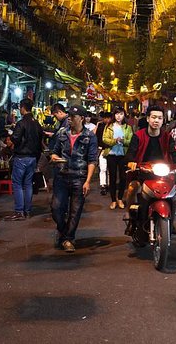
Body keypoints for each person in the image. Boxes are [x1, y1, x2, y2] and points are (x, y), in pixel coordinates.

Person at [50, 105, 98, 253]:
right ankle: (63, 231)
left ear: (81, 118)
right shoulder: (62, 133)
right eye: (69, 116)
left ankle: (68, 239)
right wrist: (54, 158)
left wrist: (88, 181)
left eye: (73, 116)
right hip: (61, 176)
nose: (69, 118)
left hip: (79, 177)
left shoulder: (90, 136)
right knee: (56, 208)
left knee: (75, 211)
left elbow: (92, 160)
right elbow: (54, 152)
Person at [124, 105, 176, 208]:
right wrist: (131, 162)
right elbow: (131, 152)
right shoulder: (138, 136)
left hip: (163, 175)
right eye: (153, 117)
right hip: (142, 173)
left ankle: (170, 222)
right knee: (133, 188)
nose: (156, 120)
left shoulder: (167, 136)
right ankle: (131, 215)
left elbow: (174, 152)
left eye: (159, 118)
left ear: (163, 120)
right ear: (148, 119)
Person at [5, 98, 43, 221]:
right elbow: (40, 140)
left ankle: (19, 211)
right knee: (28, 184)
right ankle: (27, 210)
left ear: (22, 108)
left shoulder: (21, 123)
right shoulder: (36, 123)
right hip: (33, 157)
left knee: (17, 184)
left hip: (21, 157)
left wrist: (11, 134)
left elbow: (15, 139)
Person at [102, 107, 133, 210]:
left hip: (123, 155)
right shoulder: (109, 126)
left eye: (121, 114)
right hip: (111, 154)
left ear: (124, 115)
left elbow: (131, 140)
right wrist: (114, 141)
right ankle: (113, 200)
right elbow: (104, 139)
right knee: (113, 178)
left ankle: (120, 198)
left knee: (123, 178)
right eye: (116, 114)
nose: (118, 116)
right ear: (114, 115)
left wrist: (123, 141)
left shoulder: (128, 127)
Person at [95, 111, 112, 195]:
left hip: (111, 150)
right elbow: (95, 136)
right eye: (105, 118)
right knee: (103, 168)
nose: (107, 120)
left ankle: (109, 184)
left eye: (108, 118)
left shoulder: (113, 127)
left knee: (109, 169)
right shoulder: (100, 126)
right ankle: (103, 185)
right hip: (102, 150)